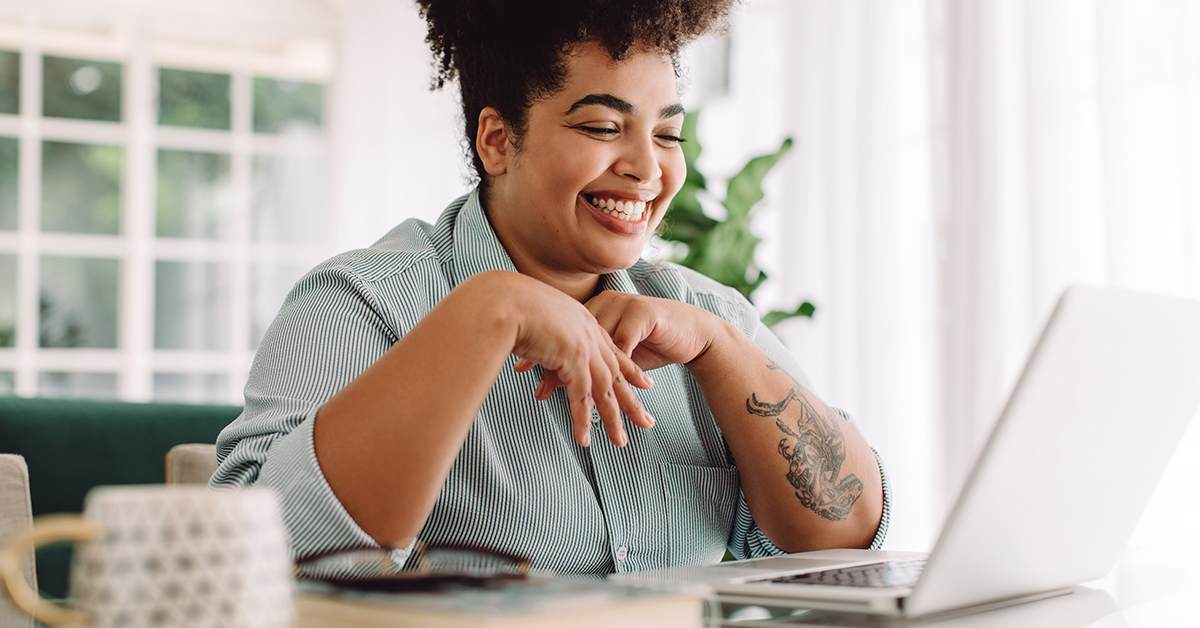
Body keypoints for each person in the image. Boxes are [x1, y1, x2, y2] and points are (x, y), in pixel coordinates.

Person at [213, 0, 889, 576]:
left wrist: (720, 350)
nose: (647, 168)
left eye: (668, 133)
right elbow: (257, 557)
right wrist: (487, 311)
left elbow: (848, 538)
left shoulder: (704, 314)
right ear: (498, 140)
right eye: (602, 127)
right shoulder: (358, 304)